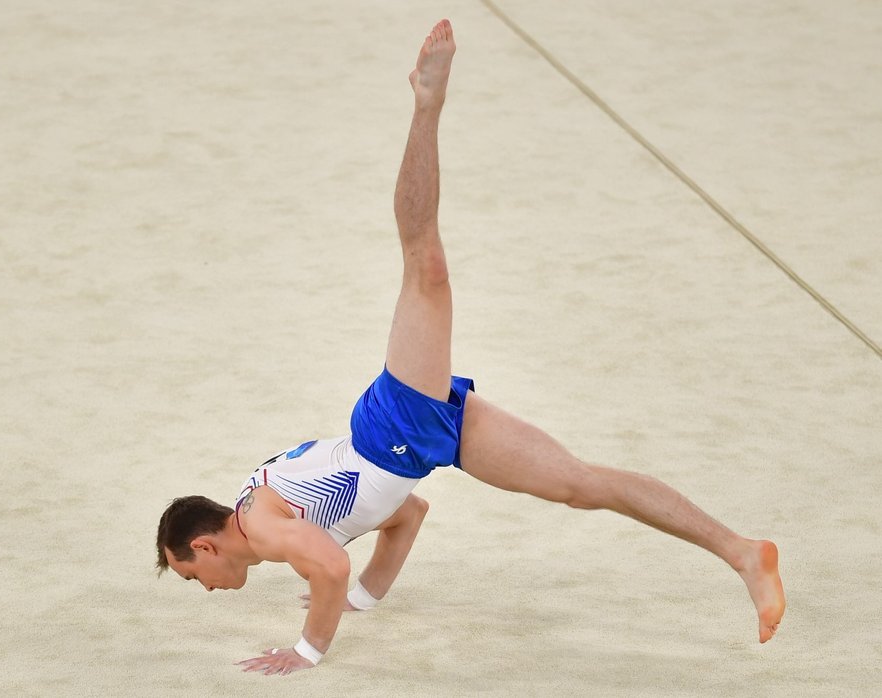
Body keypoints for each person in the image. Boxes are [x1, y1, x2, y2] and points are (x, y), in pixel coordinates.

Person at [154, 19, 786, 676]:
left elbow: (332, 564)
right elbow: (406, 512)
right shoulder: (273, 513)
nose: (201, 586)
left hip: (391, 429)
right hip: (422, 442)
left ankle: (427, 103)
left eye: (190, 573)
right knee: (579, 485)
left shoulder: (263, 529)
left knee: (423, 261)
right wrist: (365, 599)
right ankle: (743, 551)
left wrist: (310, 649)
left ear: (205, 544)